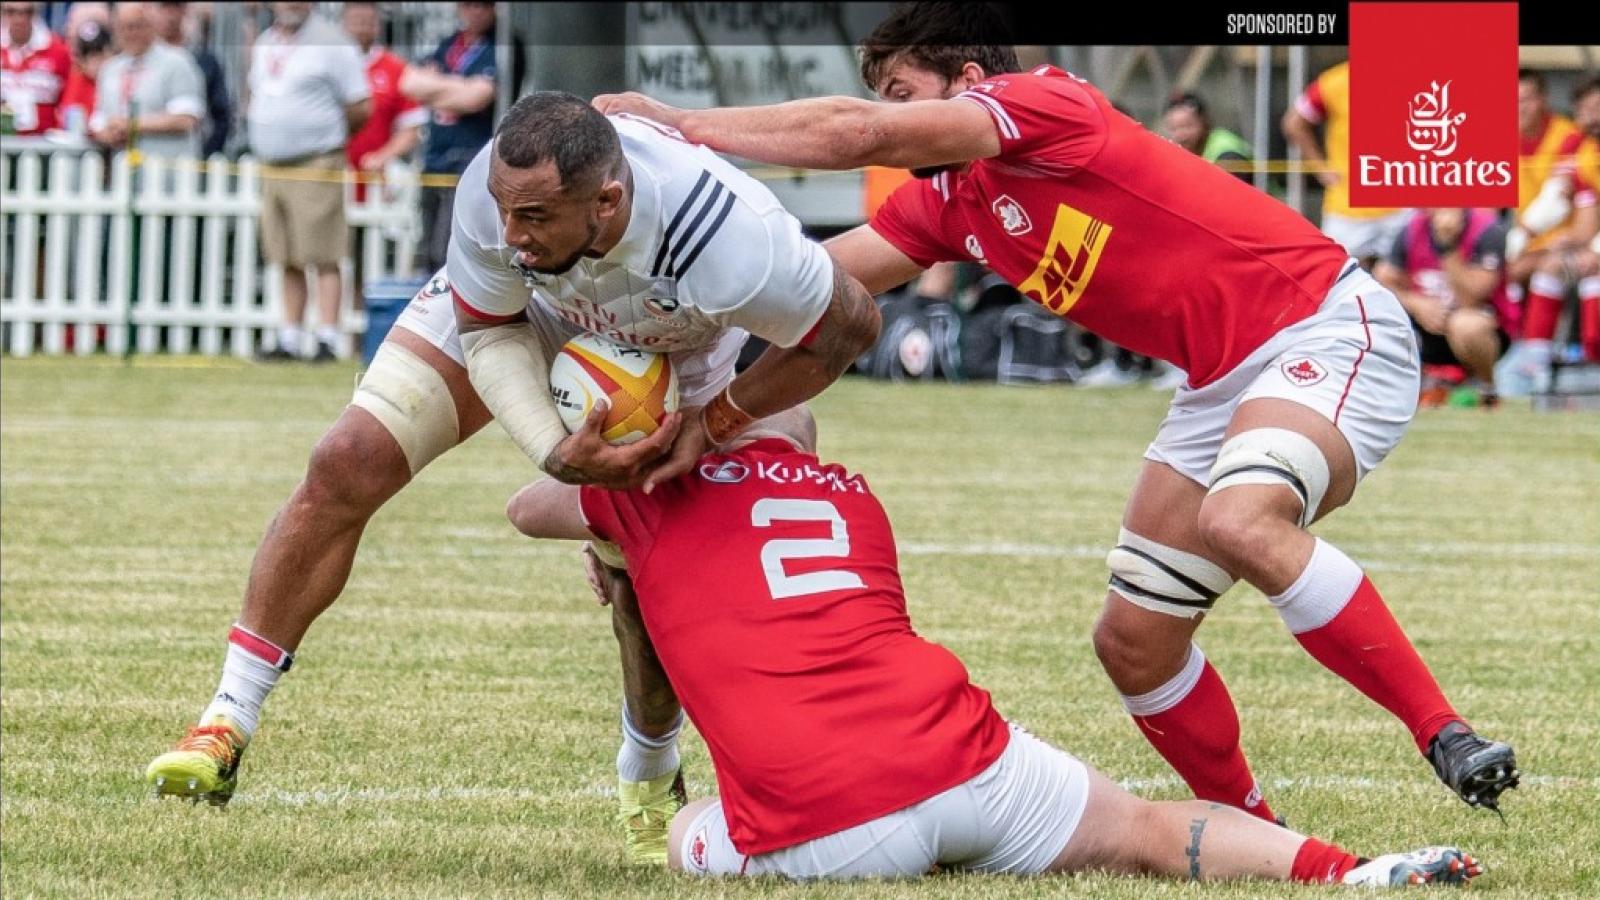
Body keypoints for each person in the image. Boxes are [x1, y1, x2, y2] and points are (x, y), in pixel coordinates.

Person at [594, 0, 1519, 822]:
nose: (890, 108)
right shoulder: (952, 202)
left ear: (967, 81)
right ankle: (1253, 831)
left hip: (1324, 325)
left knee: (1240, 518)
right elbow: (807, 285)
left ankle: (1447, 735)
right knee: (1135, 645)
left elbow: (856, 133)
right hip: (1219, 380)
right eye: (880, 90)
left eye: (902, 89)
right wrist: (659, 327)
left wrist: (680, 127)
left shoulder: (1044, 102)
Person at [143, 93, 881, 869]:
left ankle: (648, 770)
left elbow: (852, 325)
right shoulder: (495, 197)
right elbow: (490, 329)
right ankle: (226, 720)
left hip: (674, 348)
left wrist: (715, 421)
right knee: (346, 460)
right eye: (503, 211)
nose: (509, 234)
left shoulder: (730, 238)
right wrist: (553, 454)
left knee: (638, 572)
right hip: (534, 312)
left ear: (608, 201)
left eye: (532, 216)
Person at [504, 407, 1480, 888]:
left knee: (682, 833)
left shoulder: (654, 494)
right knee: (1145, 828)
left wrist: (616, 471)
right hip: (967, 757)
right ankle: (1345, 872)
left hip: (826, 820)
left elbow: (526, 506)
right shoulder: (851, 494)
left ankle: (670, 798)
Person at [247, 1, 370, 362]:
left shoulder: (333, 43)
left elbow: (360, 105)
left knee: (323, 250)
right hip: (274, 162)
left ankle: (327, 336)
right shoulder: (267, 41)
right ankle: (290, 335)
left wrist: (323, 136)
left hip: (315, 160)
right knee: (285, 252)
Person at [1504, 70, 1600, 384]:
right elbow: (1560, 197)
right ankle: (1535, 365)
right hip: (1577, 242)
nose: (1591, 118)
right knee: (1550, 267)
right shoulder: (1579, 146)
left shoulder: (1564, 136)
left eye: (1597, 109)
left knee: (1590, 267)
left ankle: (1594, 358)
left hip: (1587, 244)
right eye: (1585, 111)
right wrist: (1523, 236)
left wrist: (1592, 247)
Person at [415, 0, 524, 273]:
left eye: (483, 5)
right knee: (428, 247)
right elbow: (411, 84)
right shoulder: (449, 43)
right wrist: (460, 88)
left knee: (452, 246)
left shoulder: (504, 45)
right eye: (468, 5)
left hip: (473, 158)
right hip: (435, 157)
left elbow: (477, 98)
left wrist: (438, 89)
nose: (475, 11)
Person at [1374, 209, 1515, 407]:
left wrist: (1447, 246)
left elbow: (1471, 298)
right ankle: (1407, 389)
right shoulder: (1412, 227)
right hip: (1427, 324)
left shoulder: (1487, 229)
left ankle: (1487, 389)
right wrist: (1417, 304)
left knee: (1465, 325)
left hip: (1481, 327)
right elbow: (1383, 279)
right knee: (1378, 321)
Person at [1282, 60, 1410, 267]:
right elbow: (1294, 123)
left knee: (1405, 281)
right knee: (1336, 277)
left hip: (1403, 208)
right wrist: (1320, 169)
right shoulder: (1333, 82)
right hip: (1347, 206)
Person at [89, 2, 204, 161]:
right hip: (121, 169)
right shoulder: (110, 69)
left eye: (136, 26)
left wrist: (131, 125)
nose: (130, 33)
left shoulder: (177, 62)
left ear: (152, 26)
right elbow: (99, 119)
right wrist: (105, 134)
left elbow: (186, 119)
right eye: (123, 27)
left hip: (167, 170)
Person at [340, 2, 425, 199]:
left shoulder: (394, 68)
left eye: (367, 22)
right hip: (334, 177)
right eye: (355, 21)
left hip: (378, 182)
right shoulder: (327, 66)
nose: (361, 28)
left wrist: (383, 156)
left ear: (377, 24)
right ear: (343, 24)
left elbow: (412, 128)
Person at [151, 2, 230, 159]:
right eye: (164, 7)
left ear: (185, 11)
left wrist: (208, 153)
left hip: (191, 155)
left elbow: (221, 114)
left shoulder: (204, 60)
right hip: (150, 153)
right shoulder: (142, 60)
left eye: (175, 7)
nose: (170, 15)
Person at [0, 1, 71, 135]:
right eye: (11, 12)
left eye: (27, 12)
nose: (19, 19)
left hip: (45, 143)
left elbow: (69, 100)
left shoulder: (58, 51)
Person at [1163, 92, 1252, 183]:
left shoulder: (1227, 154)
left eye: (1187, 126)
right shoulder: (1189, 153)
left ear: (1204, 123)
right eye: (1173, 129)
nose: (1180, 136)